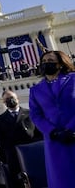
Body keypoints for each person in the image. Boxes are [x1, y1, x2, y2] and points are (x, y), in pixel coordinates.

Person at [29, 50, 75, 188]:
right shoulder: (36, 90)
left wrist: (71, 128)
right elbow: (36, 115)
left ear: (60, 64)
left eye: (50, 61)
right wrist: (52, 131)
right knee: (62, 179)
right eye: (43, 62)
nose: (46, 64)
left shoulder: (73, 79)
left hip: (73, 133)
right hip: (55, 140)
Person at [0, 90, 42, 188]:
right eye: (7, 99)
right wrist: (4, 158)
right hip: (14, 157)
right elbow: (0, 140)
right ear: (3, 102)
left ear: (17, 99)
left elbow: (39, 134)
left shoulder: (30, 113)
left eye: (12, 97)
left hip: (32, 154)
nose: (10, 100)